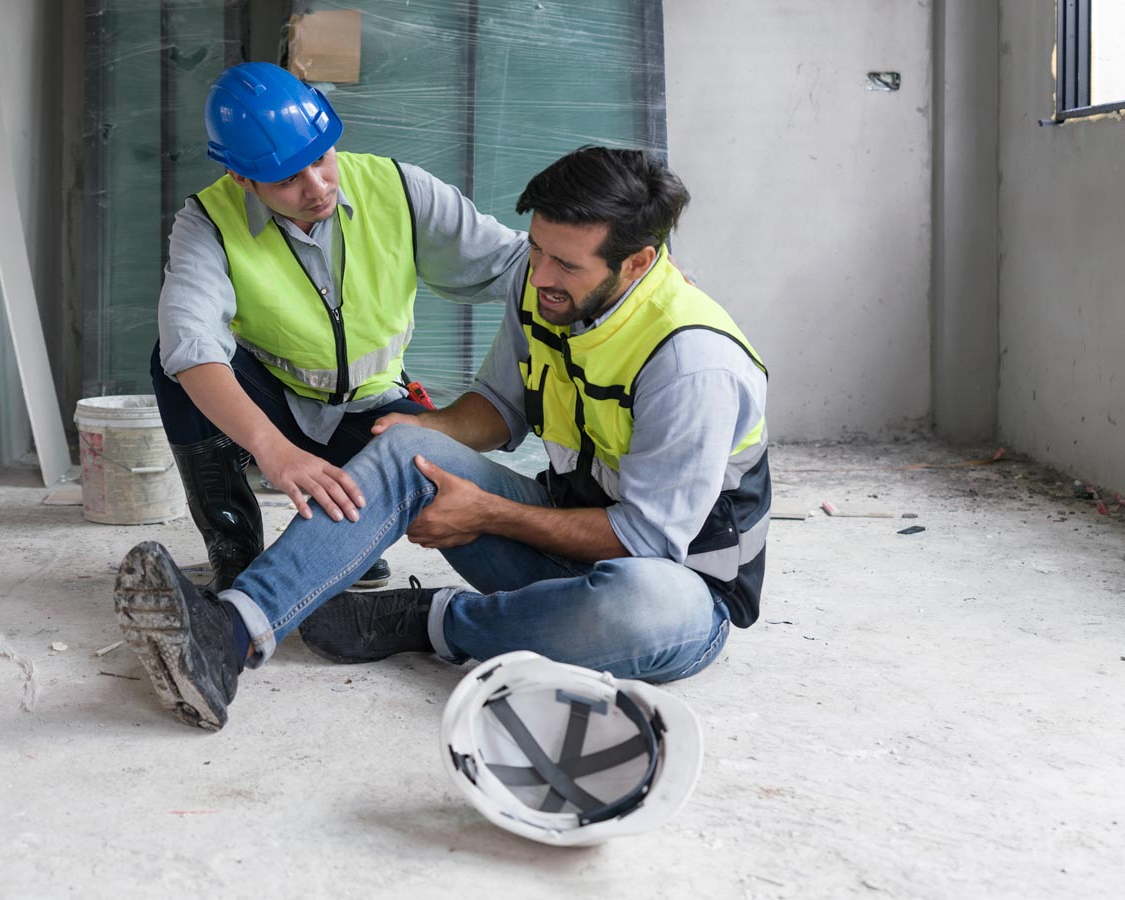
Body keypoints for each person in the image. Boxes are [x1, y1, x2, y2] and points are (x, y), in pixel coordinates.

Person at [118, 145, 770, 733]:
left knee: (644, 607)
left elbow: (649, 541)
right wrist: (418, 437)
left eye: (565, 264)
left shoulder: (693, 363)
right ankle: (226, 635)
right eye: (536, 249)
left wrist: (488, 514)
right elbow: (496, 409)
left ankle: (423, 621)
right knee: (410, 451)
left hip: (677, 589)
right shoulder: (543, 290)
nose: (538, 275)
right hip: (561, 528)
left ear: (637, 263)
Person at [154, 61, 526, 593]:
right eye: (286, 179)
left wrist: (622, 279)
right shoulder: (207, 222)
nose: (317, 187)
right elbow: (188, 342)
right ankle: (234, 549)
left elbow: (516, 265)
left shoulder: (398, 188)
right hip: (274, 402)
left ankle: (349, 544)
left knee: (432, 470)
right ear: (242, 177)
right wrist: (271, 448)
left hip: (374, 408)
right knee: (174, 364)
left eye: (321, 159)